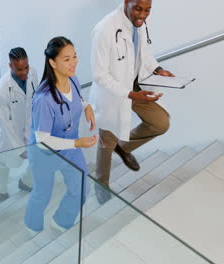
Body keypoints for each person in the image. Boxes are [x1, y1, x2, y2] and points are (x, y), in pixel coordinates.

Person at [89, 0, 175, 204]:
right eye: (138, 8)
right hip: (113, 94)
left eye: (148, 10)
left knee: (160, 123)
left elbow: (144, 53)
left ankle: (124, 147)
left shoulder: (139, 24)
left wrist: (157, 70)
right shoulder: (104, 29)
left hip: (136, 86)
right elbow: (99, 76)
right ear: (127, 2)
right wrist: (130, 94)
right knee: (107, 142)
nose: (143, 15)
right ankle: (101, 183)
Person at [24, 36, 97, 233]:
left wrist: (86, 106)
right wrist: (77, 143)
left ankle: (61, 222)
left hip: (70, 147)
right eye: (66, 59)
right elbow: (42, 140)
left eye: (74, 57)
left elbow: (75, 101)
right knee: (42, 194)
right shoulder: (44, 99)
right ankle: (32, 227)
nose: (73, 63)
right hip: (45, 154)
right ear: (53, 62)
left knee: (82, 187)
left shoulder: (73, 79)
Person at [0, 47, 38, 202]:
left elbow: (33, 103)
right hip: (7, 134)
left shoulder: (33, 73)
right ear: (10, 66)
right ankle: (1, 190)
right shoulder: (1, 89)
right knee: (3, 163)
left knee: (36, 157)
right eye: (19, 69)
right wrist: (19, 147)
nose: (24, 72)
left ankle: (26, 182)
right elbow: (6, 124)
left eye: (26, 67)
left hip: (28, 127)